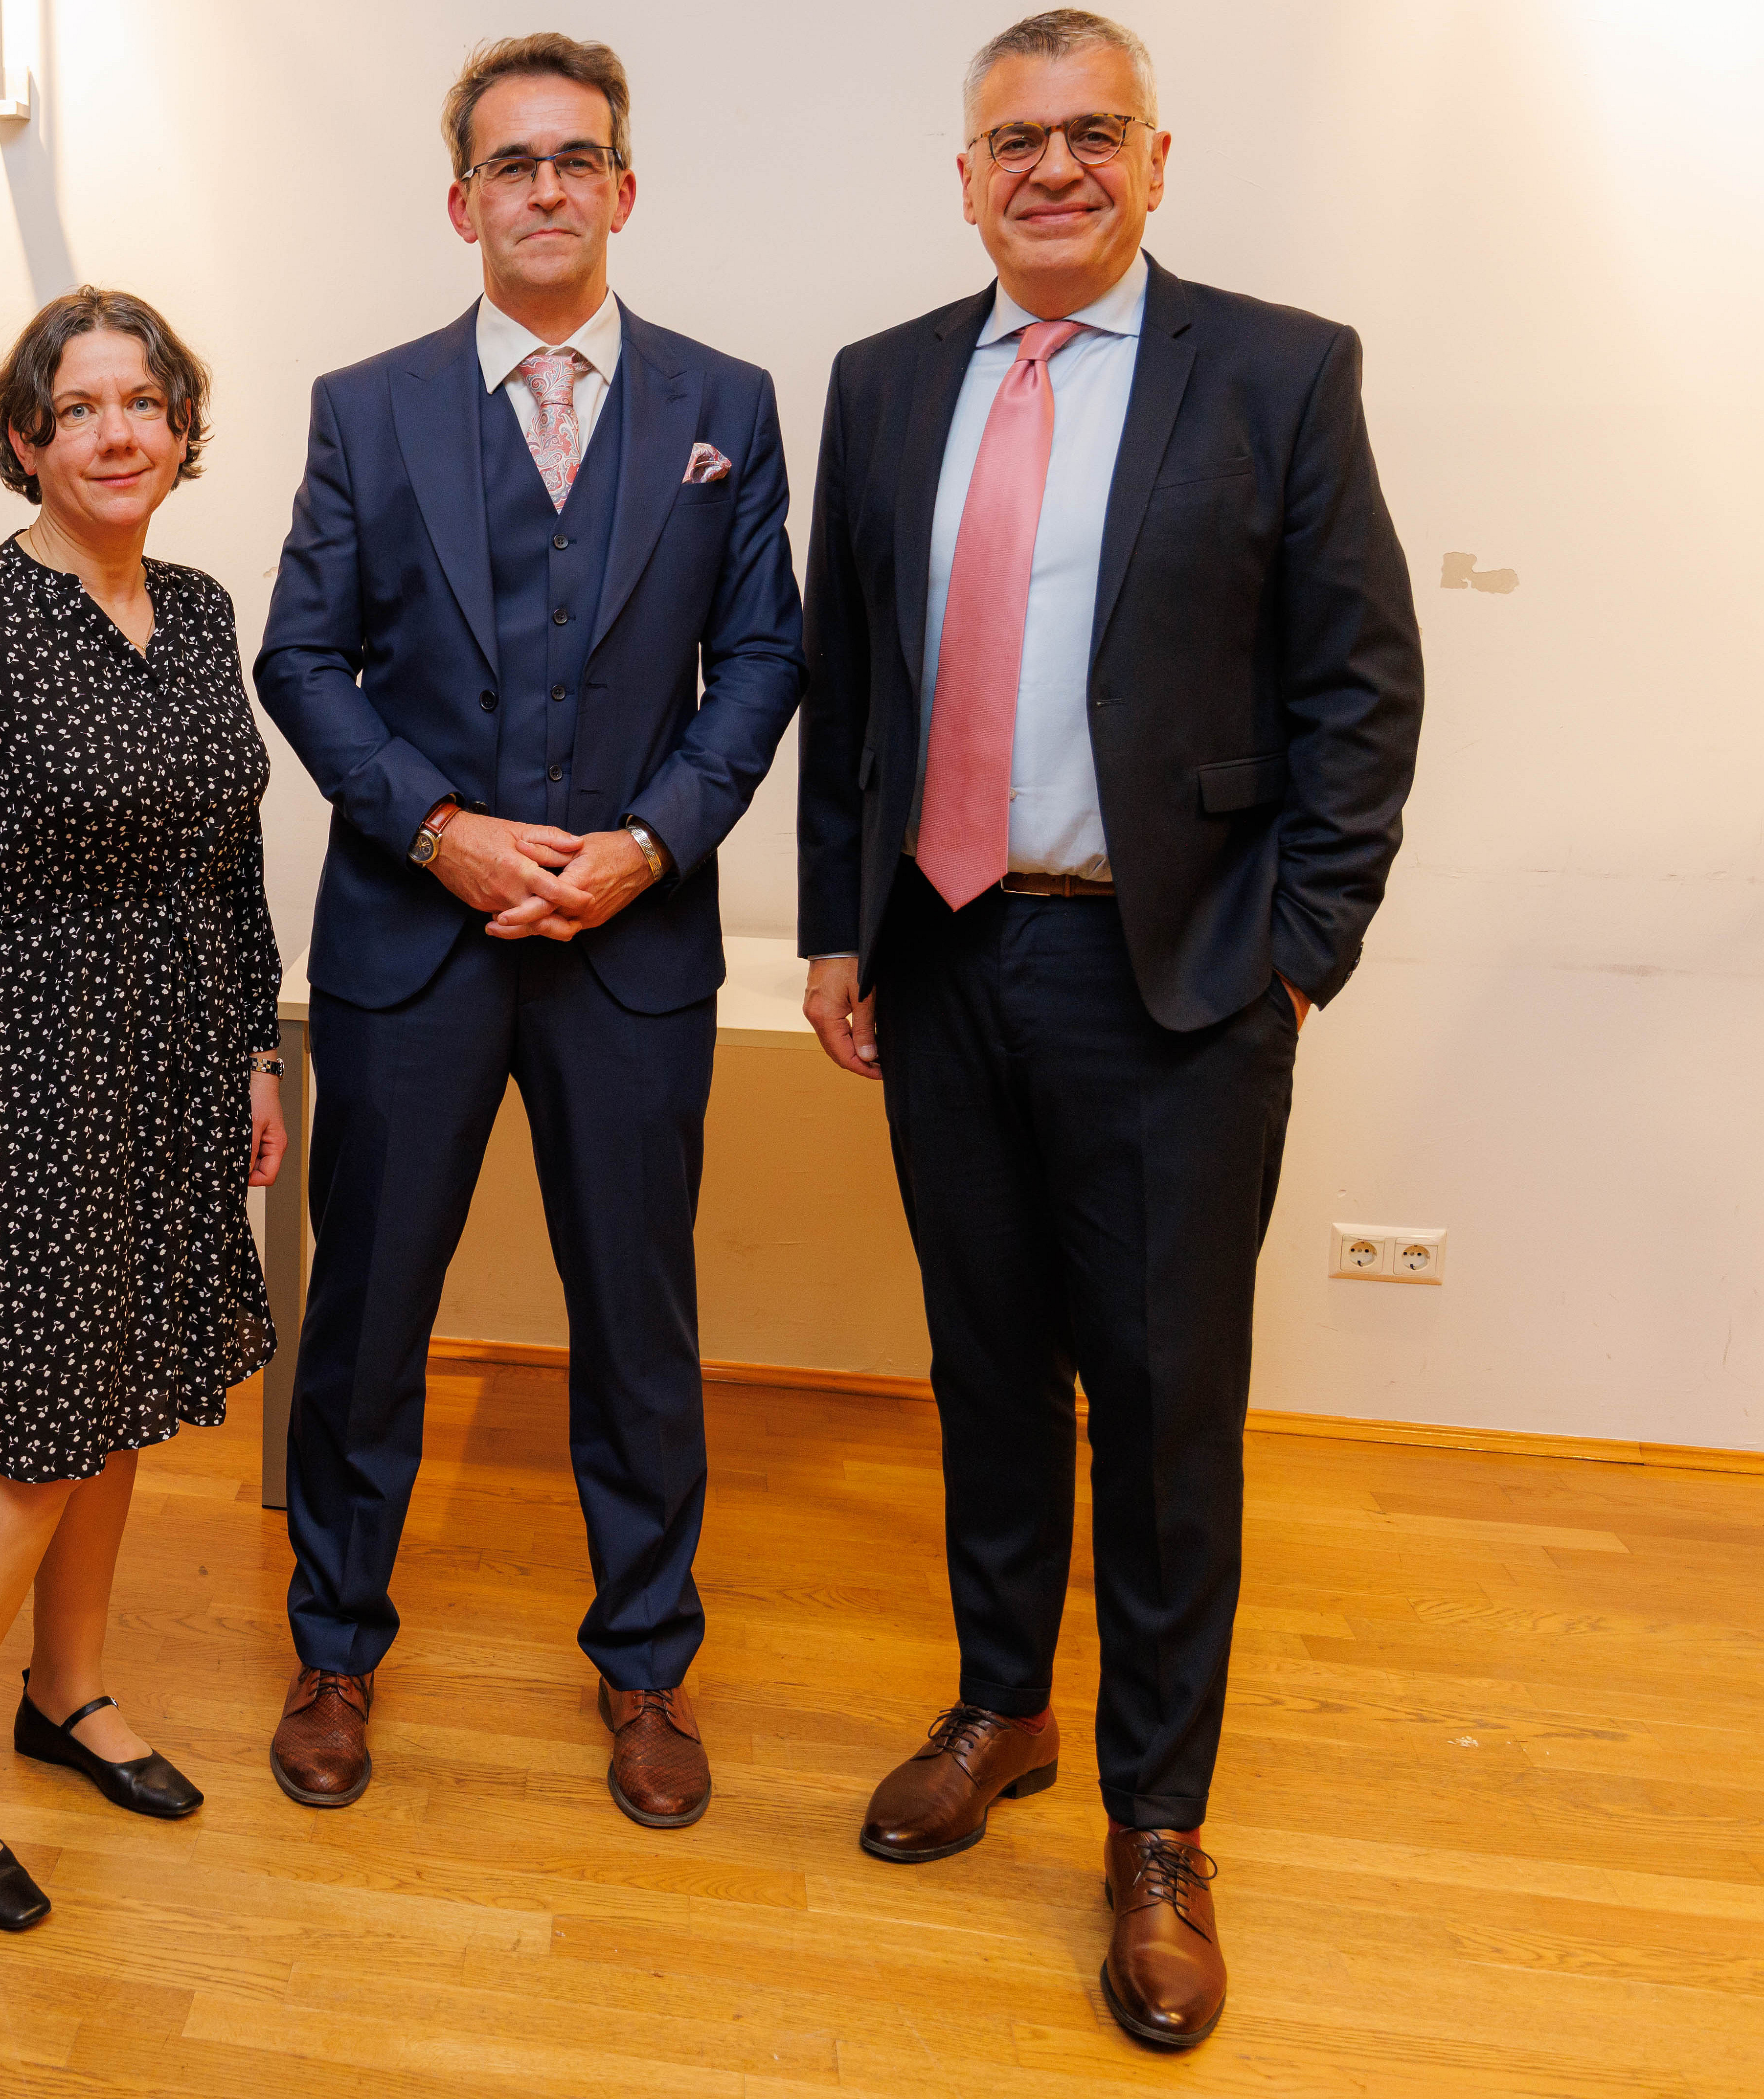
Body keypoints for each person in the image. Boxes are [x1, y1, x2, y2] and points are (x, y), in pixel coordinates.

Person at [794, 10, 1422, 2050]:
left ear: (1158, 162)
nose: (1049, 169)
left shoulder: (1273, 369)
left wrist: (1298, 943)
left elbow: (1360, 685)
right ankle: (1003, 1703)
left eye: (1089, 136)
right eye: (1012, 141)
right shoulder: (884, 386)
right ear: (963, 178)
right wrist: (834, 929)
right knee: (984, 1367)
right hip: (948, 957)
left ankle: (1160, 1819)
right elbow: (851, 686)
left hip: (1175, 979)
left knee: (1159, 1414)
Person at [253, 35, 802, 1828]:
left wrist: (652, 842)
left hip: (632, 948)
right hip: (412, 945)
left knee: (638, 1321)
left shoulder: (730, 399)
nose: (547, 188)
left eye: (579, 160)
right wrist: (440, 829)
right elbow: (303, 657)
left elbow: (768, 659)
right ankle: (335, 1640)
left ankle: (647, 1667)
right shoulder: (367, 401)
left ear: (623, 190)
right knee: (367, 1316)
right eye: (513, 163)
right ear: (464, 200)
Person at [0, 289, 282, 1932]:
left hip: (173, 1057)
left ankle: (72, 1691)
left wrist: (251, 1051)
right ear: (25, 438)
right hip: (21, 1072)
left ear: (179, 429)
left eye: (145, 403)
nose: (118, 433)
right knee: (30, 1437)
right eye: (81, 407)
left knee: (119, 1400)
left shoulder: (198, 606)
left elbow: (231, 859)